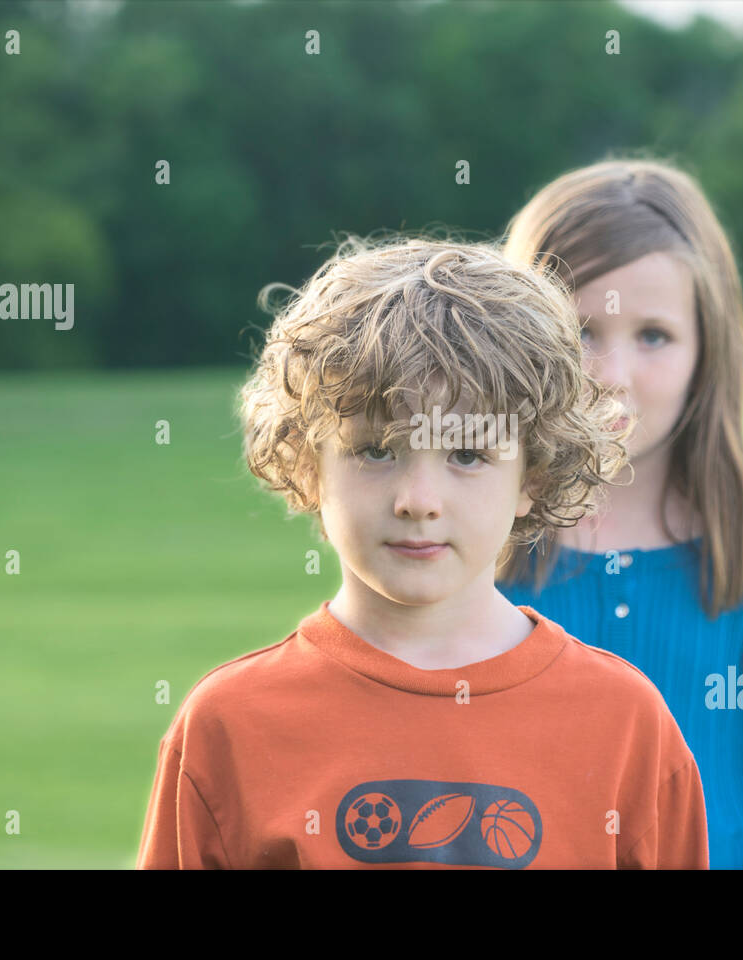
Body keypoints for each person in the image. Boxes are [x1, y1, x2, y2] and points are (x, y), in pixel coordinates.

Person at [136, 236, 708, 868]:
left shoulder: (625, 723)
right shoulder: (229, 726)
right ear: (308, 465)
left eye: (467, 455)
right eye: (376, 451)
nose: (418, 499)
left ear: (534, 477)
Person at [497, 158, 743, 868]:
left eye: (653, 336)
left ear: (709, 354)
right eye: (580, 331)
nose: (612, 375)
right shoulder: (470, 565)